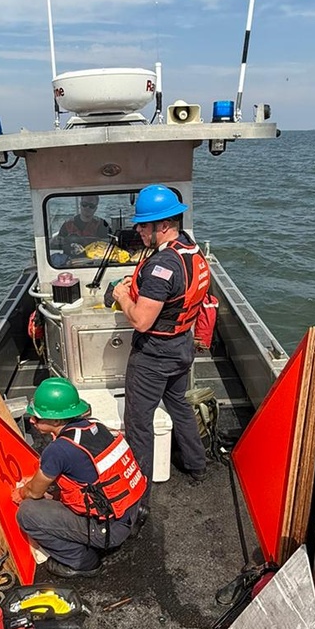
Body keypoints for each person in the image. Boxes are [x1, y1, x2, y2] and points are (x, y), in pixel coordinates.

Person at [112, 184, 210, 488]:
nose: (139, 231)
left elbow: (141, 321)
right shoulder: (189, 248)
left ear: (164, 226)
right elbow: (177, 294)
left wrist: (121, 295)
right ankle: (197, 466)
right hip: (181, 346)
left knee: (138, 423)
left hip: (154, 355)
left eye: (144, 225)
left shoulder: (162, 265)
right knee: (179, 404)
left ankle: (138, 489)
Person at [12, 377, 147, 578]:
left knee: (27, 512)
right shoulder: (95, 426)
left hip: (110, 530)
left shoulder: (58, 450)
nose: (32, 420)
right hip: (132, 510)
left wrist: (21, 492)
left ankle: (82, 561)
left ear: (56, 421)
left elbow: (33, 491)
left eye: (37, 417)